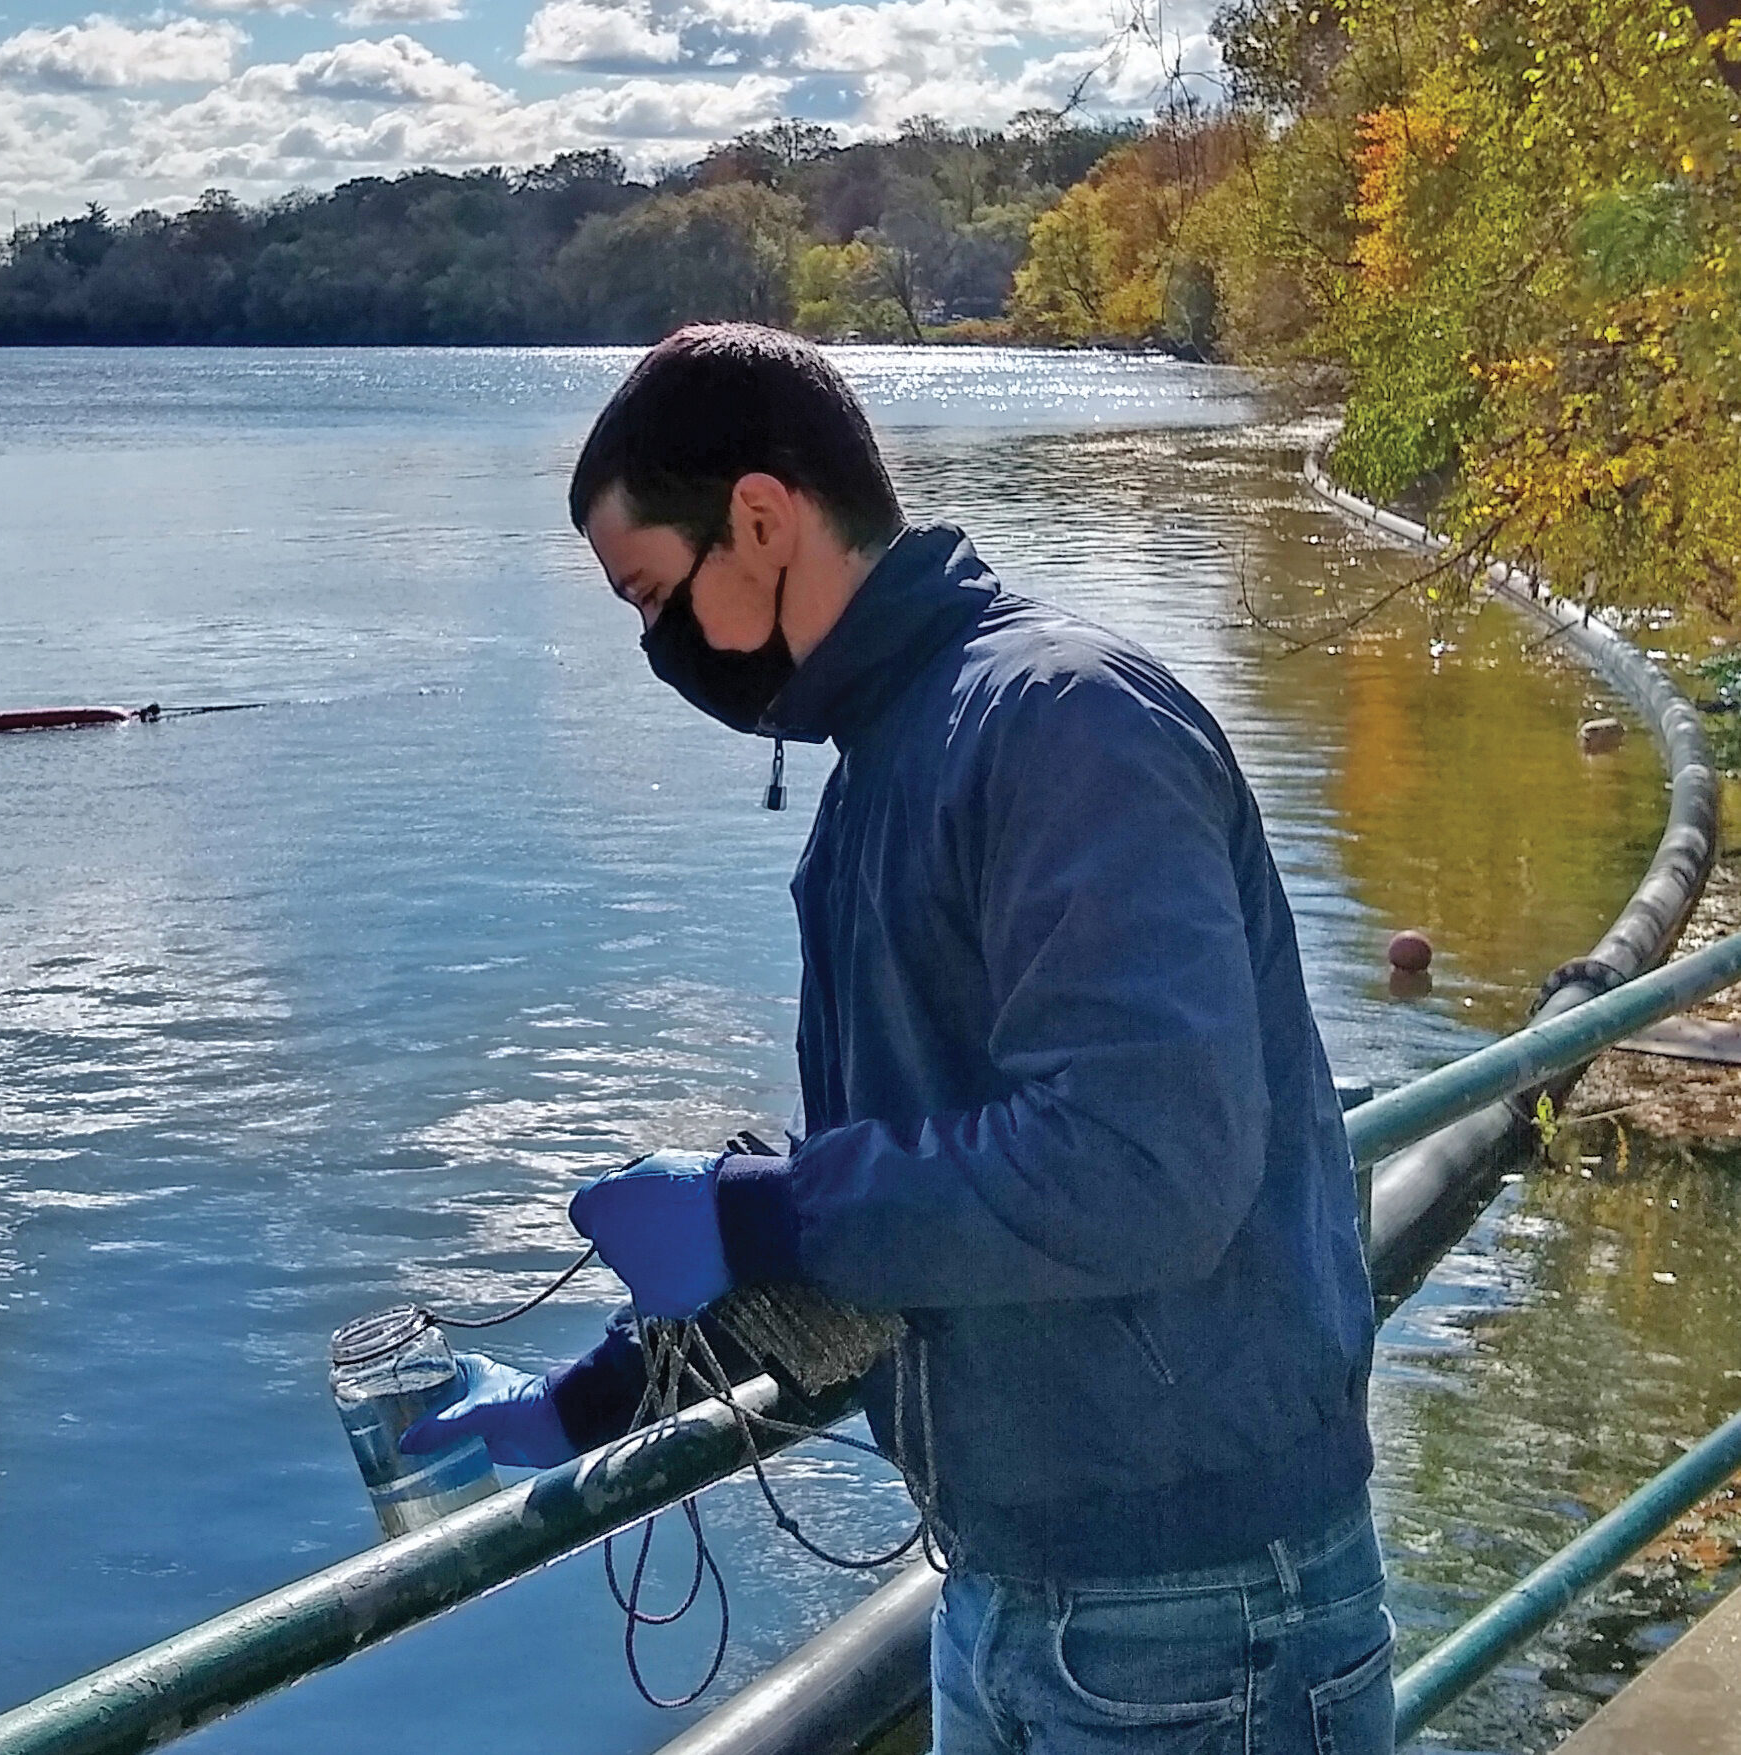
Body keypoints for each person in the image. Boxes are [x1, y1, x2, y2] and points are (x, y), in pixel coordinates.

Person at [402, 324, 1392, 1754]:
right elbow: (925, 1190)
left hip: (1196, 1613)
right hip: (1009, 1587)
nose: (653, 649)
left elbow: (1140, 1169)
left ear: (760, 516)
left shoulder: (1064, 723)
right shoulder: (889, 757)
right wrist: (609, 1387)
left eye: (654, 594)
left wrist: (761, 1210)